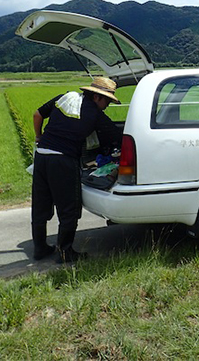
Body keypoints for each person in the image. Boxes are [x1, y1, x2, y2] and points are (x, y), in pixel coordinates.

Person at [31, 76, 123, 264]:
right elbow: (116, 135)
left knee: (41, 204)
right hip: (63, 160)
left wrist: (39, 136)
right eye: (107, 100)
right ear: (97, 97)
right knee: (69, 208)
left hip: (41, 156)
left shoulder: (64, 98)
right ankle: (65, 253)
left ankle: (40, 249)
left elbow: (36, 115)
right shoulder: (95, 113)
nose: (107, 105)